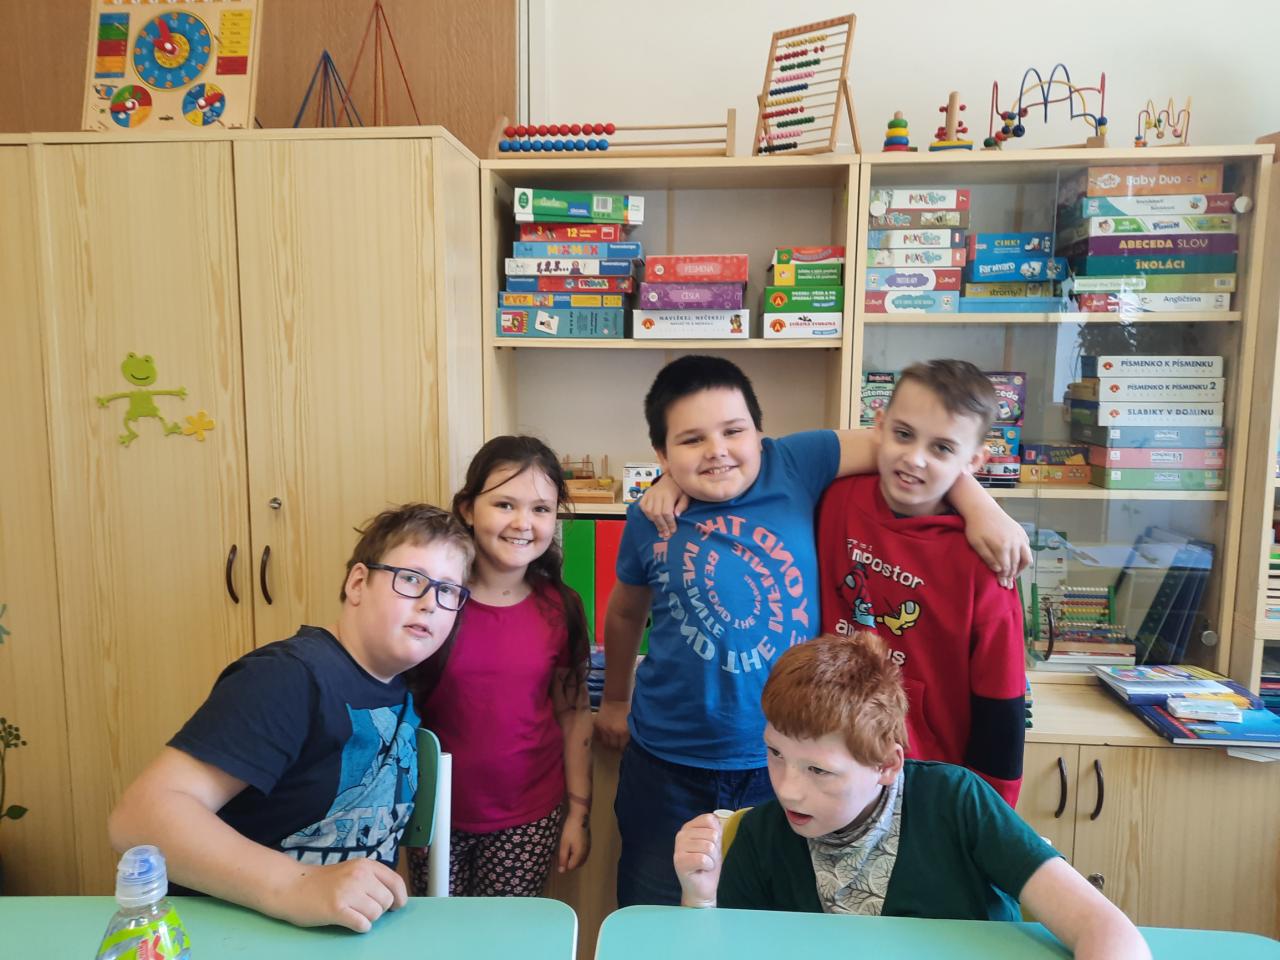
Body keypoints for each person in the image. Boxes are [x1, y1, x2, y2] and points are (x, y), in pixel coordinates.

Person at [596, 354, 1029, 906]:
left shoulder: (796, 465)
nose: (717, 450)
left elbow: (901, 445)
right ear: (661, 453)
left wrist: (979, 501)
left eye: (733, 431)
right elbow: (625, 611)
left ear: (761, 434)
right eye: (691, 440)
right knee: (655, 908)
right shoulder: (652, 516)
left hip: (786, 759)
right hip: (666, 763)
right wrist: (615, 700)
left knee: (771, 917)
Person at [108, 503, 474, 933]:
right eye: (411, 579)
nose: (431, 603)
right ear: (358, 583)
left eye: (448, 590)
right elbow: (137, 820)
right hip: (237, 934)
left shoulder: (401, 689)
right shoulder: (289, 676)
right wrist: (296, 885)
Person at [673, 632, 1151, 960]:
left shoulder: (955, 802)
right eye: (775, 754)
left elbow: (1105, 928)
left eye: (819, 770)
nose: (786, 788)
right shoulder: (762, 836)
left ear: (887, 765)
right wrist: (699, 900)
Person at [818, 359, 1026, 805]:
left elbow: (1001, 705)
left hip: (925, 789)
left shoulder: (986, 561)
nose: (914, 458)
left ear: (974, 460)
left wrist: (991, 816)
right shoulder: (833, 500)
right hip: (821, 768)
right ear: (879, 426)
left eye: (942, 448)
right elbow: (751, 476)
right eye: (904, 434)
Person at [408, 436, 592, 897]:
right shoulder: (433, 599)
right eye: (505, 504)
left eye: (541, 509)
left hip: (527, 818)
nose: (522, 523)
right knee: (437, 932)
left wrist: (579, 812)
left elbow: (573, 716)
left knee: (506, 934)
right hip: (433, 811)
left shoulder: (562, 607)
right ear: (468, 509)